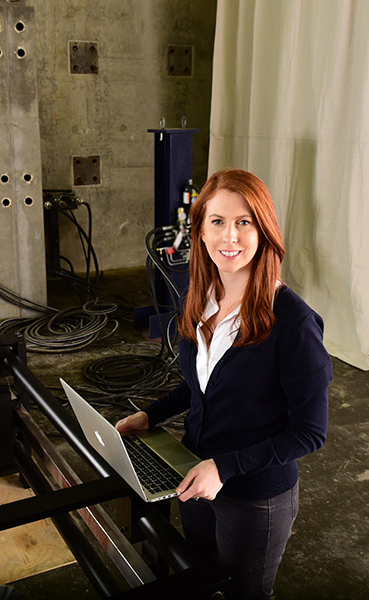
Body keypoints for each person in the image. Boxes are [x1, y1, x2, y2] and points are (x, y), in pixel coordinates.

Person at [115, 169, 332, 599]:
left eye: (243, 222)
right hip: (194, 474)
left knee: (243, 593)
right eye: (217, 222)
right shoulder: (201, 299)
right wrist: (150, 415)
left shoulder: (293, 322)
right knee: (200, 577)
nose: (229, 236)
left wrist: (226, 466)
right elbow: (201, 388)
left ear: (263, 230)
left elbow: (309, 433)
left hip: (254, 496)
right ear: (198, 231)